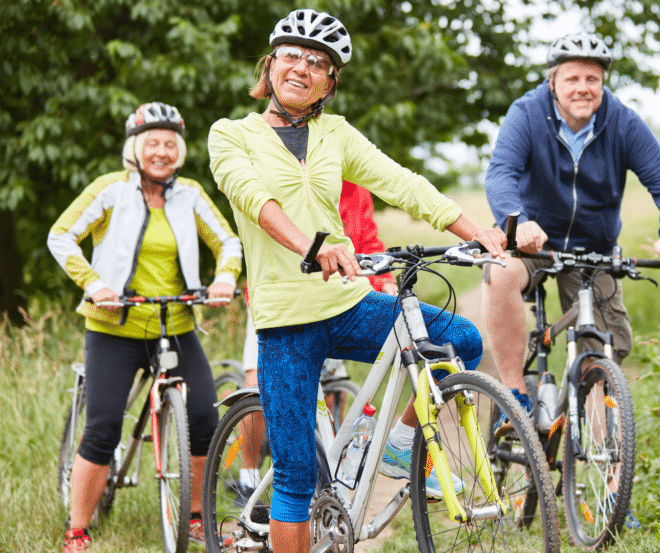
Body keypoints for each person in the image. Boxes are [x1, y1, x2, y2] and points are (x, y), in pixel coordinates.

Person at [206, 10, 506, 553]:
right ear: (270, 65)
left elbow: (401, 182)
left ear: (329, 82)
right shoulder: (232, 135)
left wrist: (473, 229)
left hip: (348, 303)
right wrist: (311, 244)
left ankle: (398, 444)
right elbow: (253, 198)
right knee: (296, 475)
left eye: (317, 62)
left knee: (460, 339)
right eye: (292, 56)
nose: (302, 68)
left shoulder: (335, 133)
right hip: (285, 319)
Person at [480, 32, 660, 527]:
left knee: (599, 363)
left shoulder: (620, 121)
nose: (583, 87)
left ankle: (611, 493)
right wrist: (517, 219)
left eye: (592, 78)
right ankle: (514, 394)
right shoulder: (527, 114)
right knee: (499, 271)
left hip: (594, 251)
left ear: (603, 83)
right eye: (572, 77)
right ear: (553, 81)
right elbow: (501, 173)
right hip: (534, 242)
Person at [48, 102, 243, 552]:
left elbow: (227, 239)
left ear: (180, 150)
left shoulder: (190, 194)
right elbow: (61, 235)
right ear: (135, 149)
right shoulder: (110, 190)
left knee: (202, 418)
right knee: (103, 428)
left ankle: (195, 518)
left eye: (170, 143)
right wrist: (94, 283)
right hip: (114, 327)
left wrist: (225, 275)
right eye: (152, 143)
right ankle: (77, 527)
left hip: (174, 323)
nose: (162, 151)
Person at [232, 181, 398, 499]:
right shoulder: (287, 178)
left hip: (336, 301)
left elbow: (368, 241)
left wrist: (385, 280)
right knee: (256, 386)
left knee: (333, 388)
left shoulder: (354, 190)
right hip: (280, 302)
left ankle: (328, 476)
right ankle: (249, 476)